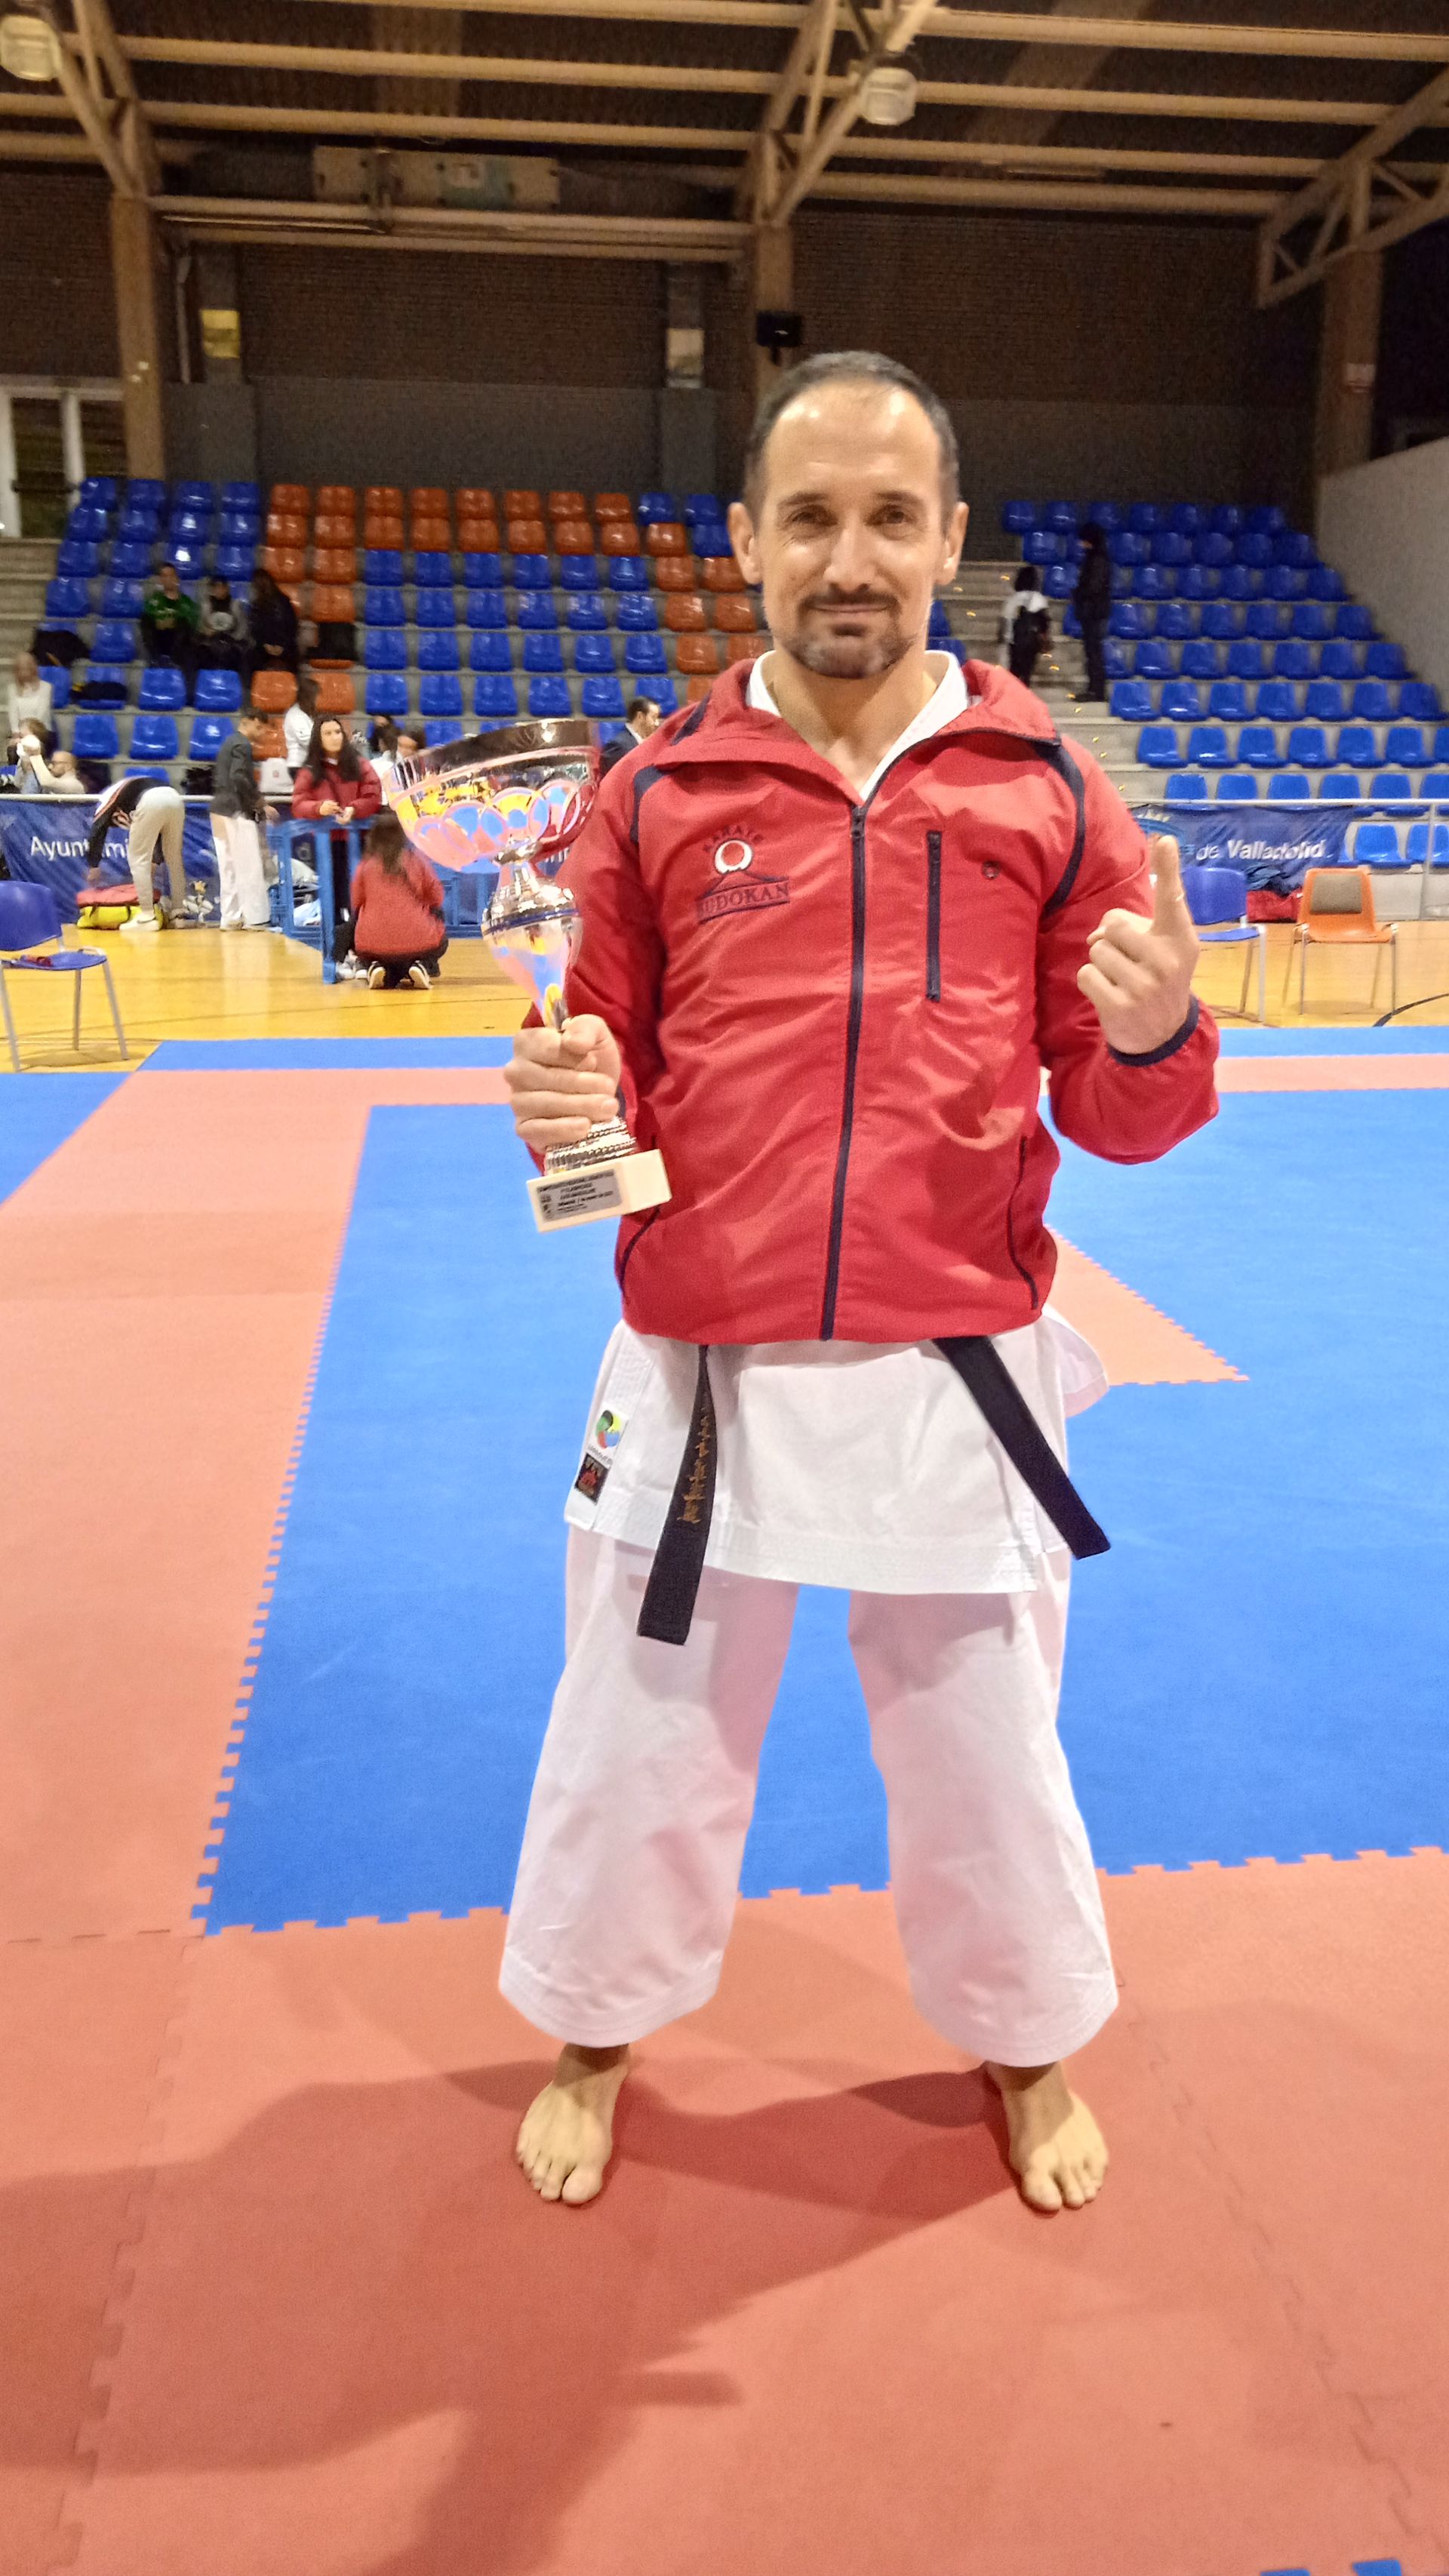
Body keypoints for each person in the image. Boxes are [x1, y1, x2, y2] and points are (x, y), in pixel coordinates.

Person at [500, 349, 1217, 2217]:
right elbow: (593, 1100)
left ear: (949, 538)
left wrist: (1156, 1032)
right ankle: (592, 2027)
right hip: (701, 1359)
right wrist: (565, 1114)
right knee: (634, 1739)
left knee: (988, 1753)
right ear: (745, 539)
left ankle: (1027, 2041)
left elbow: (1124, 1115)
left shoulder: (1047, 787)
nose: (849, 557)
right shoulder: (653, 793)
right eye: (809, 515)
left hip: (954, 1355)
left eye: (891, 516)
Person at [291, 713, 382, 972]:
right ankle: (337, 955)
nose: (334, 737)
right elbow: (299, 803)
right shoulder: (310, 771)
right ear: (318, 739)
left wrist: (355, 809)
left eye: (338, 732)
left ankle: (365, 954)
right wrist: (318, 808)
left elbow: (373, 795)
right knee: (333, 899)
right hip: (328, 846)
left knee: (361, 899)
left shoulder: (361, 764)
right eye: (328, 733)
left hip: (360, 843)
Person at [350, 809, 448, 989]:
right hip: (418, 940)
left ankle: (374, 965)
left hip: (372, 943)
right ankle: (421, 965)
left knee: (366, 936)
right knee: (440, 936)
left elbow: (356, 901)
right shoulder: (416, 859)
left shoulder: (366, 864)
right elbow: (437, 896)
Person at [85, 773, 191, 928]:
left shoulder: (107, 798)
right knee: (174, 858)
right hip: (175, 797)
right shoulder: (130, 791)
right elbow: (159, 832)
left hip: (149, 800)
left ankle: (147, 917)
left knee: (138, 859)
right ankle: (178, 913)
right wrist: (155, 860)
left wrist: (93, 866)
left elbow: (98, 829)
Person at [210, 709, 273, 930]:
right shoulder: (243, 744)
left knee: (228, 867)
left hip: (219, 808)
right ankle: (255, 917)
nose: (263, 734)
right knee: (249, 865)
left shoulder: (229, 742)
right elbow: (238, 776)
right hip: (236, 810)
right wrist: (259, 801)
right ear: (256, 722)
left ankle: (231, 916)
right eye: (263, 729)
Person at [140, 564, 201, 692]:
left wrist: (167, 623)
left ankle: (174, 660)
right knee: (146, 621)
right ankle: (157, 659)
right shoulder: (153, 601)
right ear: (161, 580)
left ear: (177, 578)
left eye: (171, 575)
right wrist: (165, 624)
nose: (168, 579)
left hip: (180, 645)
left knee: (183, 626)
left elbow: (190, 626)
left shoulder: (186, 602)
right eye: (164, 576)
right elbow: (149, 623)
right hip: (159, 641)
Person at [1072, 522, 1112, 706]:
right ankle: (1095, 689)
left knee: (1094, 652)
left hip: (1093, 612)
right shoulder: (1097, 558)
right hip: (1093, 611)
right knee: (1093, 652)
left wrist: (1078, 593)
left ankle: (1096, 690)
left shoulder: (1097, 560)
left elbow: (1093, 587)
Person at [999, 563, 1051, 691]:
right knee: (1027, 673)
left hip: (1013, 641)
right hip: (1030, 641)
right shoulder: (1039, 599)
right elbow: (1043, 622)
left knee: (1014, 672)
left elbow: (1004, 623)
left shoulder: (1011, 600)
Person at [247, 568, 300, 682]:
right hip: (264, 646)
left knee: (293, 657)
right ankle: (255, 686)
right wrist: (265, 645)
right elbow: (255, 630)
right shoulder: (256, 606)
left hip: (285, 645)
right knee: (251, 658)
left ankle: (292, 685)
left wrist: (282, 646)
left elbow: (292, 627)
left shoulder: (284, 602)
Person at [598, 694, 663, 776]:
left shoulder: (649, 744)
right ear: (640, 716)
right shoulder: (618, 746)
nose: (657, 723)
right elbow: (612, 780)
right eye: (653, 718)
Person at [197, 577, 250, 675]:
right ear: (212, 589)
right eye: (216, 587)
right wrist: (206, 630)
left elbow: (243, 628)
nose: (219, 590)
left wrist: (232, 638)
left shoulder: (235, 605)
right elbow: (200, 625)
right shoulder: (206, 605)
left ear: (227, 588)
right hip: (210, 643)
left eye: (222, 587)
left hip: (231, 642)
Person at [6, 651, 53, 753]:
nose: (24, 672)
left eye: (26, 668)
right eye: (21, 669)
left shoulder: (46, 687)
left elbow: (42, 713)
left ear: (33, 668)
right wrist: (16, 732)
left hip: (41, 731)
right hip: (21, 733)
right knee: (13, 747)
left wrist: (30, 732)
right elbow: (13, 712)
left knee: (33, 744)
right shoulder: (12, 689)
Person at [283, 673, 319, 772]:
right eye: (316, 696)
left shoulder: (305, 714)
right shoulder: (295, 714)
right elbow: (306, 740)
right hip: (298, 765)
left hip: (307, 764)